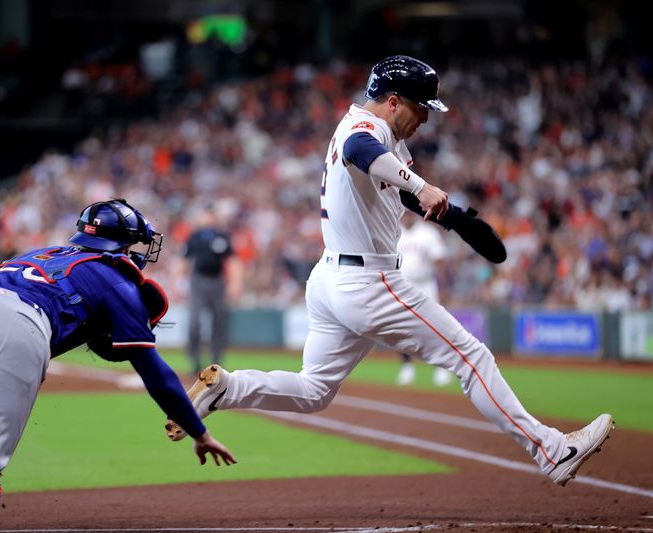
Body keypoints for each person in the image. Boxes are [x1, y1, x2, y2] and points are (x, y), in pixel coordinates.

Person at [164, 56, 613, 487]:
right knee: (471, 358)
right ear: (394, 99)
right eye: (422, 107)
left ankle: (228, 388)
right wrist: (421, 184)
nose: (427, 118)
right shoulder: (365, 127)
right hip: (369, 283)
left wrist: (455, 217)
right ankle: (551, 450)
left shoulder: (383, 135)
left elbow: (394, 191)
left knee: (314, 390)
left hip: (331, 279)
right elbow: (362, 151)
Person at [0, 198, 236, 533]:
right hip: (24, 325)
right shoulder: (118, 280)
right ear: (122, 243)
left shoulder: (43, 252)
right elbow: (157, 375)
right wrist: (200, 433)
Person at [180, 206, 243, 375]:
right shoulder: (194, 237)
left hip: (217, 282)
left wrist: (235, 283)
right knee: (194, 323)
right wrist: (177, 282)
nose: (206, 218)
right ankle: (194, 361)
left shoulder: (221, 236)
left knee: (219, 323)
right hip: (198, 281)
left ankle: (216, 363)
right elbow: (183, 260)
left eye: (209, 215)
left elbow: (233, 260)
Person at [394, 212, 453, 387]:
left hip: (426, 284)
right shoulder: (395, 232)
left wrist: (443, 286)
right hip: (402, 285)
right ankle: (407, 366)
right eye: (403, 213)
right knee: (400, 327)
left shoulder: (427, 232)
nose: (406, 216)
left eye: (408, 213)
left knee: (435, 326)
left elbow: (439, 260)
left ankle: (441, 367)